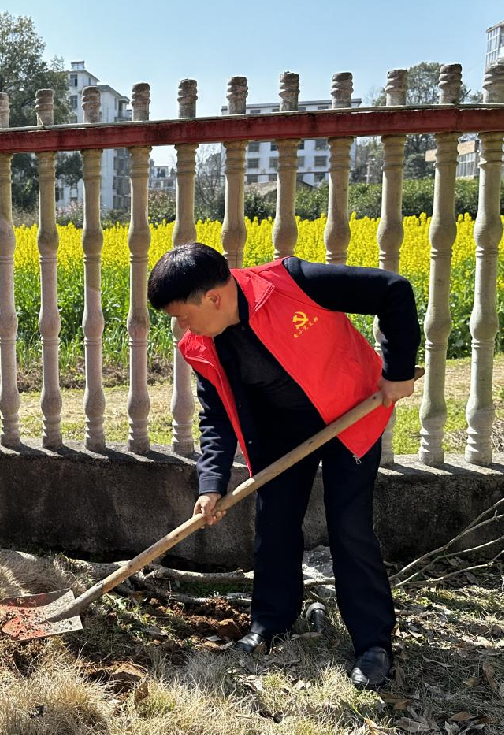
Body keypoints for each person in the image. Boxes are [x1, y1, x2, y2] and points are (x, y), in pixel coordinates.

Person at [147, 242, 420, 689]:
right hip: (280, 432)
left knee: (349, 525)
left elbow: (393, 290)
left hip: (351, 413)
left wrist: (397, 372)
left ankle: (373, 644)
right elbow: (216, 416)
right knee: (274, 521)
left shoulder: (292, 283)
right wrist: (211, 484)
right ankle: (271, 622)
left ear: (214, 298)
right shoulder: (201, 344)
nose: (181, 326)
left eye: (183, 314)